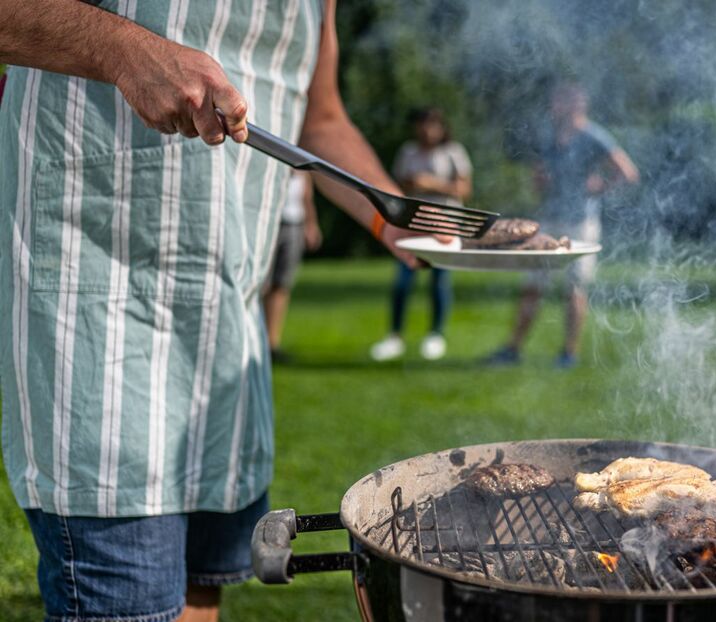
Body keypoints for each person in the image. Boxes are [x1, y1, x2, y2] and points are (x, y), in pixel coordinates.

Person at [0, 2, 425, 621]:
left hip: (226, 332)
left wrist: (397, 217)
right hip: (92, 310)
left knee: (202, 596)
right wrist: (125, 50)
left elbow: (321, 116)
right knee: (128, 601)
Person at [487, 82, 640, 368]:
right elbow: (538, 174)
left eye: (561, 100)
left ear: (578, 103)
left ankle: (569, 353)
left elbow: (628, 173)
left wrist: (600, 187)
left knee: (574, 289)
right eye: (555, 99)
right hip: (548, 220)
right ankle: (513, 349)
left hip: (579, 223)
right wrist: (540, 181)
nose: (555, 105)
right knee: (532, 286)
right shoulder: (548, 135)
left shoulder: (594, 136)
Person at [371, 107, 473, 361]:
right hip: (413, 227)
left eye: (433, 125)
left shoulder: (453, 152)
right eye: (423, 125)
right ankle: (395, 336)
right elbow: (397, 185)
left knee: (439, 281)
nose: (427, 130)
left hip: (446, 227)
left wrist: (431, 184)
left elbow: (464, 188)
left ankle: (435, 335)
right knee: (402, 282)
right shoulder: (408, 152)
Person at [264, 171, 321, 363]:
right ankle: (256, 340)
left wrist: (311, 223)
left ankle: (272, 343)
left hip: (294, 224)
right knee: (262, 285)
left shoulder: (302, 167)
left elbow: (306, 196)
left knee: (282, 284)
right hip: (269, 222)